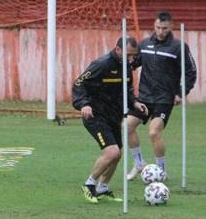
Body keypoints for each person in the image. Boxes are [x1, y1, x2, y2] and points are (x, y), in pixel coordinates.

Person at [73, 37, 147, 203]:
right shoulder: (102, 64)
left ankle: (103, 188)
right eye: (128, 54)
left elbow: (126, 89)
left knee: (117, 154)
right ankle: (89, 185)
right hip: (95, 115)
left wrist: (135, 103)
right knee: (112, 152)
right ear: (118, 49)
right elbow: (78, 84)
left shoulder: (127, 67)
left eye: (133, 56)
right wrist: (84, 104)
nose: (131, 59)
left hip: (114, 116)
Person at [125, 11, 197, 180]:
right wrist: (127, 63)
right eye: (158, 27)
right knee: (127, 127)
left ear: (171, 26)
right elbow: (133, 64)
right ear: (154, 25)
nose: (160, 32)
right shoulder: (144, 45)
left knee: (153, 133)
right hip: (144, 97)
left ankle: (161, 170)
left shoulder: (179, 47)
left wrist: (181, 93)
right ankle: (139, 163)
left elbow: (191, 72)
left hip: (164, 99)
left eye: (164, 28)